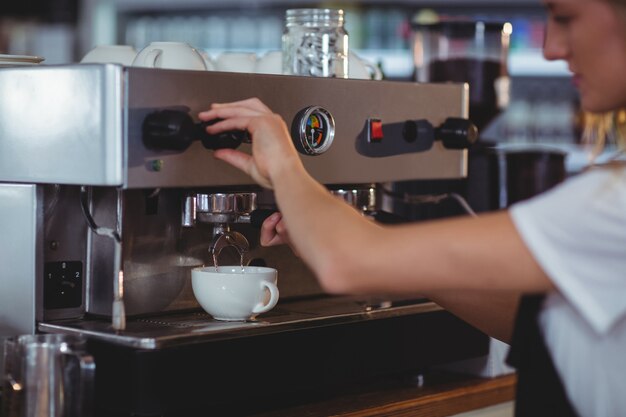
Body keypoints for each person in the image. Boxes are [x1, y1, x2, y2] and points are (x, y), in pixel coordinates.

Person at [198, 1, 626, 415]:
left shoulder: (612, 202)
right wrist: (371, 240)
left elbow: (344, 264)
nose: (551, 46)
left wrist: (284, 161)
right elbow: (534, 322)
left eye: (566, 16)